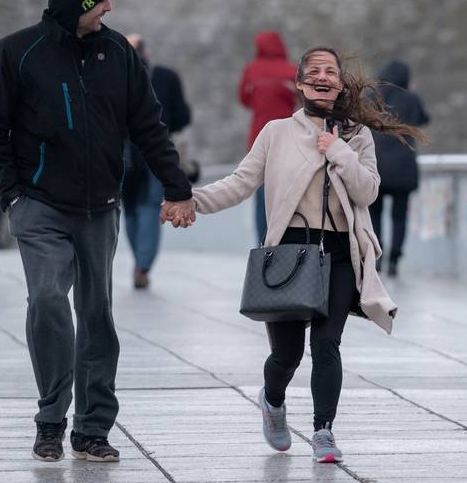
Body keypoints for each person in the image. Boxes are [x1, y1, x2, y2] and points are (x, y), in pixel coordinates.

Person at [0, 0, 195, 463]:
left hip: (101, 207)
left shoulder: (118, 52)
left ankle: (92, 428)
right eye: (99, 0)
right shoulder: (17, 53)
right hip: (39, 203)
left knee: (97, 315)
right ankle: (51, 417)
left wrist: (177, 186)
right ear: (75, 2)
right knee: (48, 300)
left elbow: (148, 126)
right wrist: (13, 194)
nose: (109, 7)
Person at [177, 47, 421, 463]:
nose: (323, 76)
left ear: (340, 84)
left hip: (341, 251)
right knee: (286, 354)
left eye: (331, 71)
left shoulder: (357, 136)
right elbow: (240, 183)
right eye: (315, 71)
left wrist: (339, 151)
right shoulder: (276, 132)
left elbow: (368, 192)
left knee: (327, 344)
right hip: (290, 251)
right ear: (301, 83)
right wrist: (191, 201)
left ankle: (323, 432)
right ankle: (272, 401)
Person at [123, 33, 192, 289]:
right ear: (147, 52)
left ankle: (139, 260)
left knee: (129, 209)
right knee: (150, 208)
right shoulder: (165, 76)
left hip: (123, 155)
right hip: (157, 152)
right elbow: (183, 116)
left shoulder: (114, 76)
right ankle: (143, 264)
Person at [368, 59, 430, 277]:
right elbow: (424, 119)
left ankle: (377, 257)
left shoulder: (371, 97)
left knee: (374, 213)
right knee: (399, 216)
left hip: (375, 166)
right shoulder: (411, 99)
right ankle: (395, 258)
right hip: (403, 167)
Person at [237, 31, 297, 243]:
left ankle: (263, 241)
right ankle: (286, 239)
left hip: (259, 136)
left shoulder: (251, 70)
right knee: (288, 190)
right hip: (290, 136)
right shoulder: (292, 70)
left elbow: (243, 99)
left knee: (262, 191)